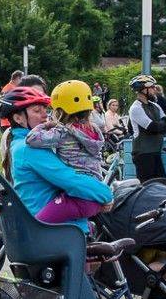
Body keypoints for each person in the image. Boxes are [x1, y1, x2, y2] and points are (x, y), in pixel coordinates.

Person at [22, 81, 111, 224]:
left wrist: (46, 125)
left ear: (61, 111)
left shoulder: (63, 132)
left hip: (78, 196)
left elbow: (31, 139)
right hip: (94, 194)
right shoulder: (94, 130)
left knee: (37, 226)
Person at [128, 74, 166, 181]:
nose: (154, 90)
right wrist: (160, 125)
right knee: (147, 187)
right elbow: (153, 127)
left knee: (162, 185)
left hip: (155, 151)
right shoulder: (136, 108)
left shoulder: (155, 106)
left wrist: (160, 125)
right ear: (143, 89)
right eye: (152, 87)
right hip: (143, 154)